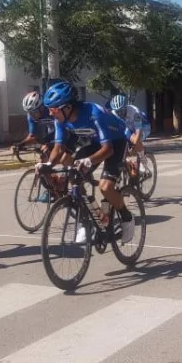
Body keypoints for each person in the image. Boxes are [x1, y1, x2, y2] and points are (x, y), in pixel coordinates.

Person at [42, 80, 135, 243]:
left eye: (53, 110)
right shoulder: (60, 119)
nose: (50, 114)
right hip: (94, 141)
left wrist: (88, 160)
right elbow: (58, 148)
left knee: (105, 187)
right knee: (73, 176)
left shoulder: (94, 112)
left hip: (116, 142)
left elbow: (108, 150)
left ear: (67, 107)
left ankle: (127, 218)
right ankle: (94, 219)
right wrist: (48, 165)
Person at [109, 94, 151, 173]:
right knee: (122, 147)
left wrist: (134, 146)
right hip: (128, 128)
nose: (120, 113)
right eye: (118, 111)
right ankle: (131, 166)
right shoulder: (113, 114)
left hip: (143, 127)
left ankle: (143, 161)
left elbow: (138, 131)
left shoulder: (134, 111)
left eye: (122, 110)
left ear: (126, 106)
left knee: (135, 140)